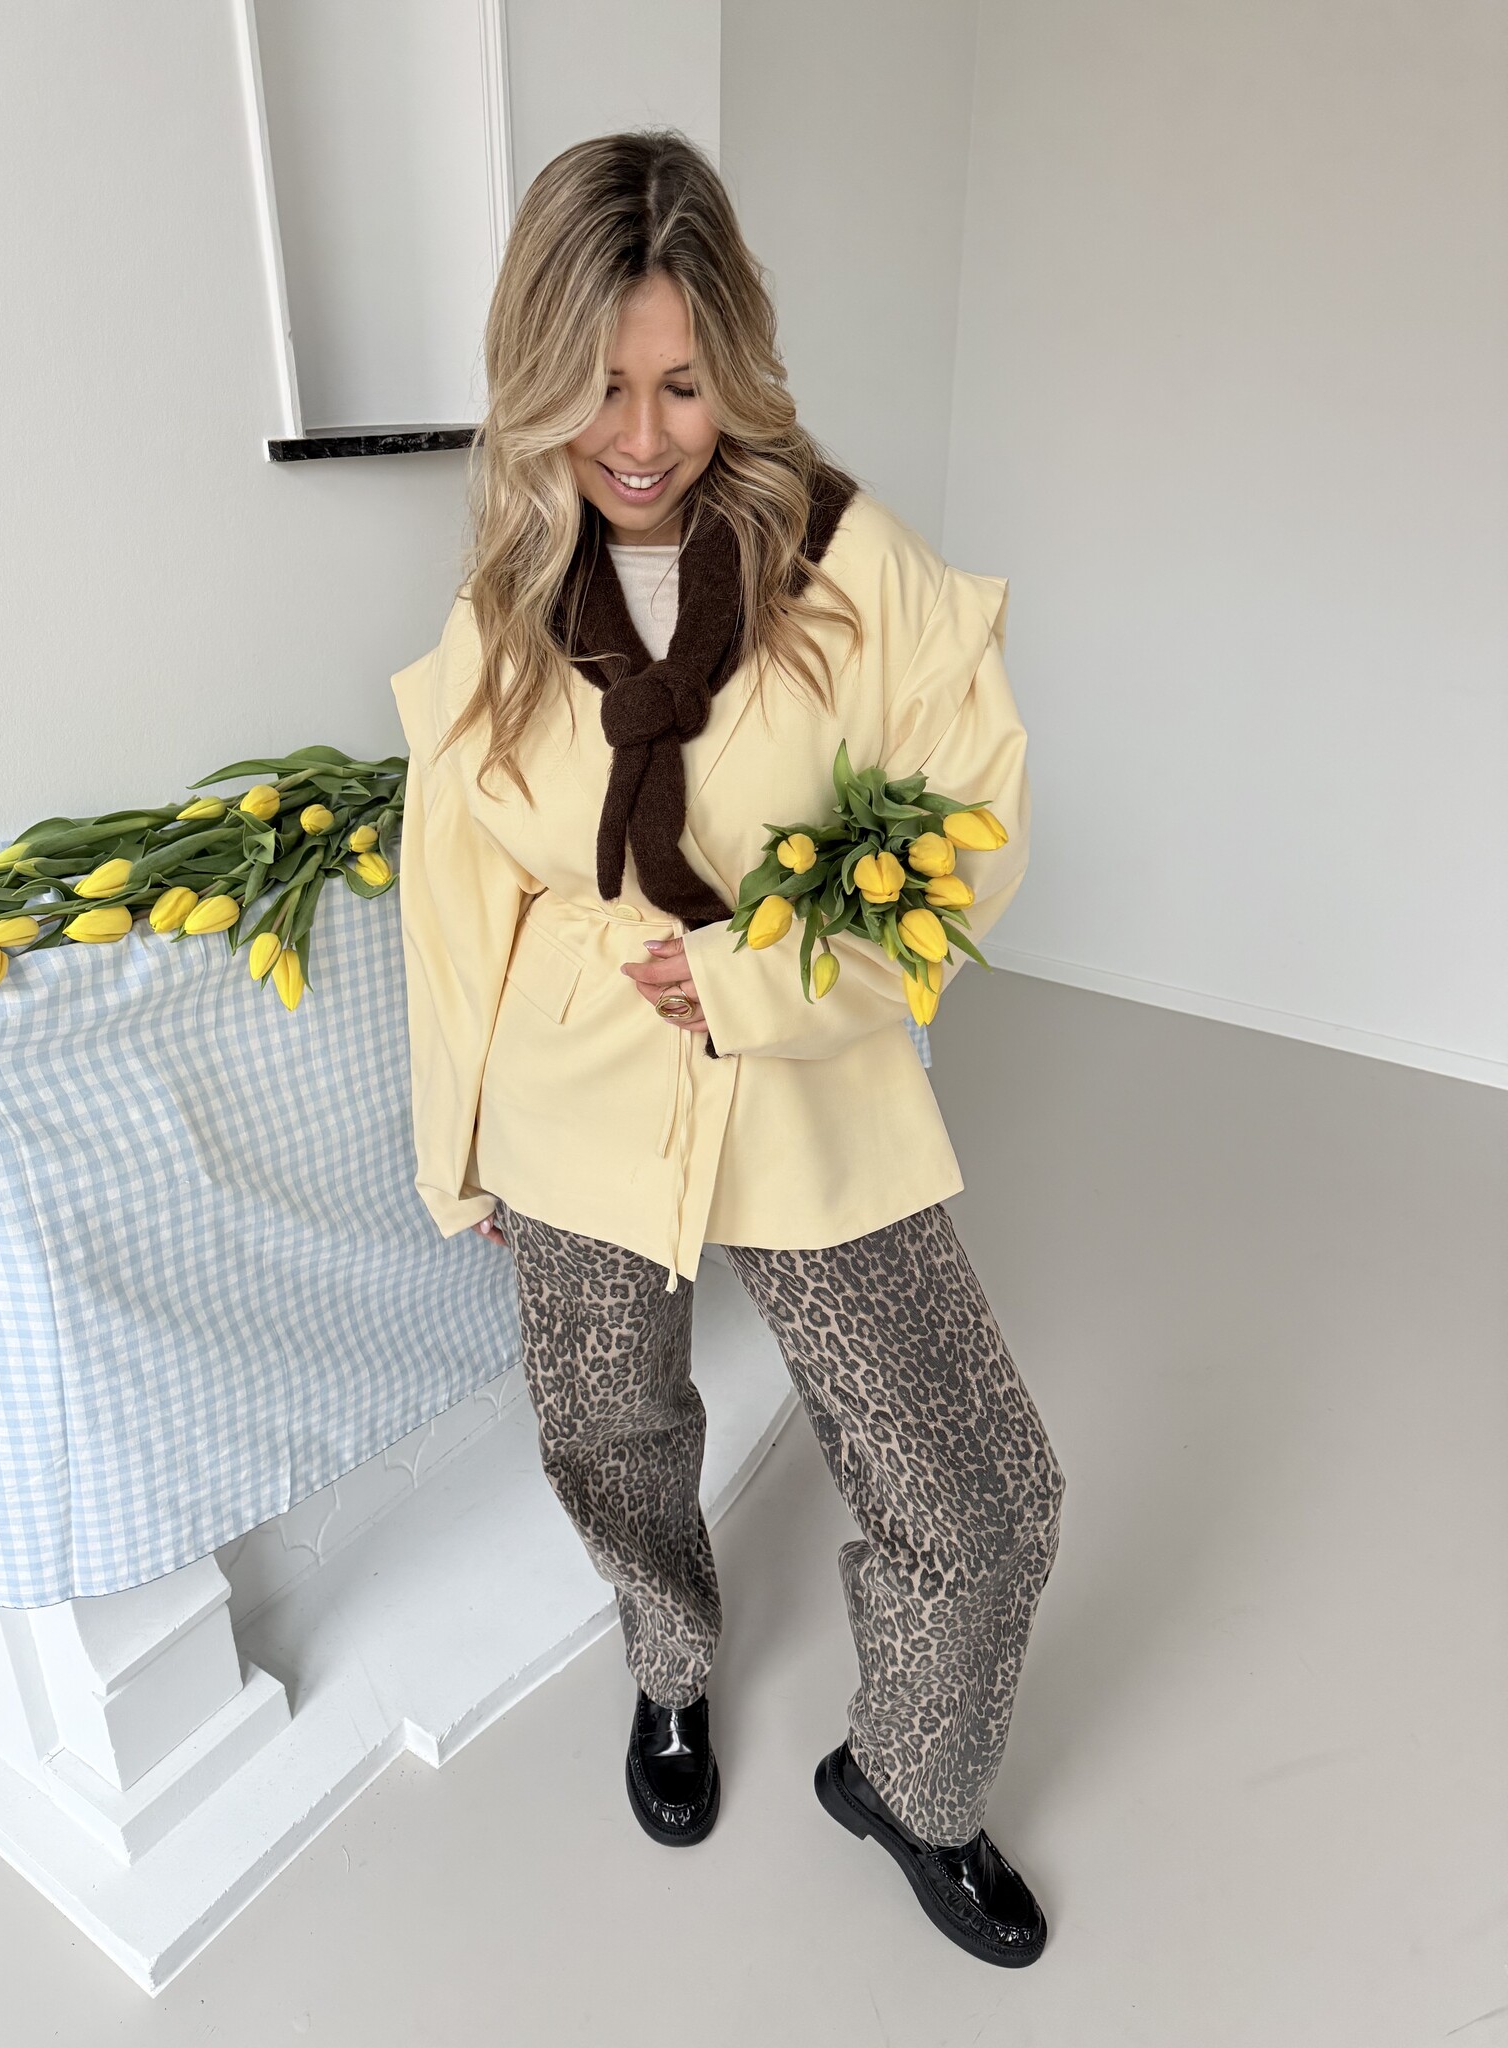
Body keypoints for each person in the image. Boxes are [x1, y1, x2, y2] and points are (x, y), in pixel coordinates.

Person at [389, 128, 1065, 1969]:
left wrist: (765, 981)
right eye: (596, 387)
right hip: (571, 1092)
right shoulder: (498, 623)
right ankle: (670, 1665)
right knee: (609, 1425)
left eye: (681, 384)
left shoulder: (855, 572)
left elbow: (973, 833)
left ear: (739, 367)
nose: (641, 435)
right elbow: (455, 908)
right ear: (531, 382)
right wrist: (461, 1149)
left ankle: (911, 1779)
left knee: (980, 1490)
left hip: (808, 1070)